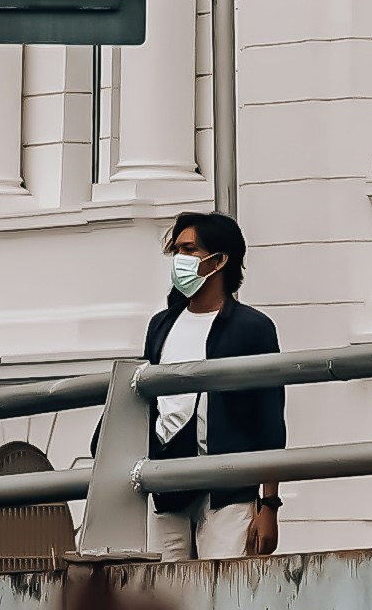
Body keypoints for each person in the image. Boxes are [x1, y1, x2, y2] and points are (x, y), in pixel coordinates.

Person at [138, 212, 287, 558]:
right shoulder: (161, 325)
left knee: (224, 593)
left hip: (227, 492)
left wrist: (269, 505)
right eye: (176, 250)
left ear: (219, 260)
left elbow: (269, 420)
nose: (179, 260)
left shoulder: (252, 328)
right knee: (164, 593)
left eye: (189, 250)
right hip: (167, 488)